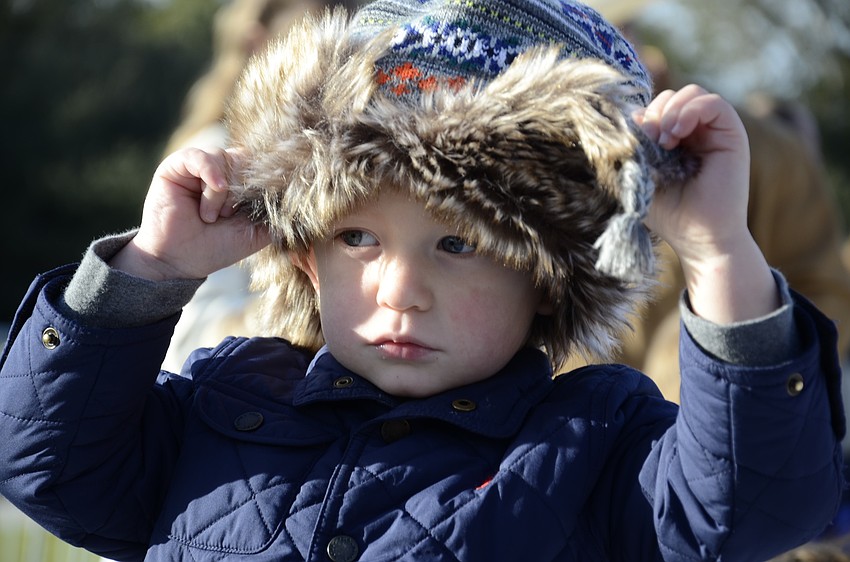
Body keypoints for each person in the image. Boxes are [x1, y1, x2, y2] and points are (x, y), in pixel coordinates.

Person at [0, 0, 844, 560]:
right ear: (304, 253)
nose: (400, 289)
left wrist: (720, 253)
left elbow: (751, 507)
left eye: (459, 245)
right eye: (358, 237)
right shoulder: (221, 404)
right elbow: (46, 462)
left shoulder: (597, 447)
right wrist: (151, 268)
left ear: (546, 276)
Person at [575, 0, 850, 403]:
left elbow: (826, 297)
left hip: (726, 424)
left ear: (631, 35)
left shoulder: (762, 151)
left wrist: (710, 377)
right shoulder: (531, 167)